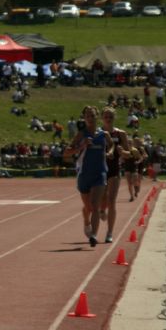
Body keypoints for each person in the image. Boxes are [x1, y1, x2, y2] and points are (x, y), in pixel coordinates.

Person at [64, 105, 113, 247]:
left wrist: (110, 152)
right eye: (88, 116)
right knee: (89, 208)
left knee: (95, 206)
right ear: (84, 118)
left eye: (93, 115)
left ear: (97, 116)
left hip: (100, 173)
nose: (91, 118)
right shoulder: (81, 134)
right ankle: (86, 221)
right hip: (84, 174)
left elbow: (111, 145)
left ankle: (93, 235)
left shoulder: (103, 134)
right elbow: (67, 153)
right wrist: (81, 146)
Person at [98, 107, 130, 243]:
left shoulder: (120, 133)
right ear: (102, 118)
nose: (108, 119)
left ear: (114, 118)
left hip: (114, 169)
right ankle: (101, 209)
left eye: (110, 116)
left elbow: (129, 154)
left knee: (112, 200)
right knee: (102, 199)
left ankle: (110, 232)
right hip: (99, 169)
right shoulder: (97, 133)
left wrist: (122, 152)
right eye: (106, 116)